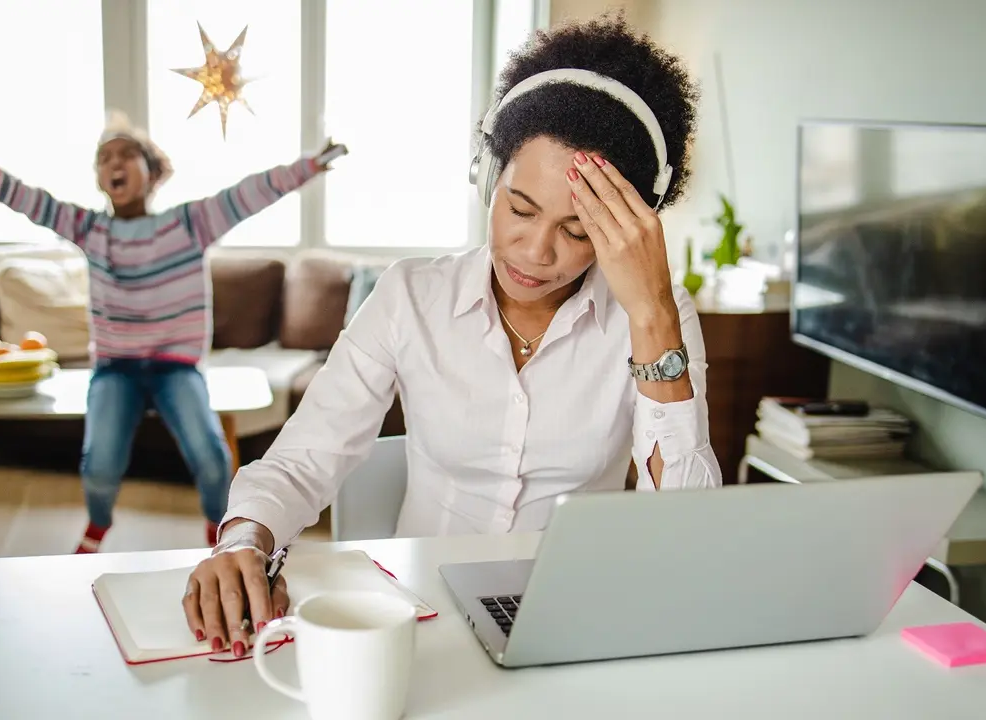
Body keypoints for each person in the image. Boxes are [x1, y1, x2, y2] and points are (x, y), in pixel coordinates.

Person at [177, 12, 720, 657]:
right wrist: (245, 537)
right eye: (519, 208)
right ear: (488, 179)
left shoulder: (657, 314)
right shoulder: (410, 295)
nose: (535, 251)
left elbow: (686, 530)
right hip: (417, 618)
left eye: (578, 232)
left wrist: (652, 316)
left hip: (570, 618)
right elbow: (306, 455)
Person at [0, 101, 341, 553]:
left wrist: (311, 166)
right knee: (99, 466)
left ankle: (216, 530)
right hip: (115, 369)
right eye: (104, 158)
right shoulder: (88, 228)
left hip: (175, 368)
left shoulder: (190, 224)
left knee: (212, 459)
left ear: (152, 171)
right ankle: (99, 524)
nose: (113, 163)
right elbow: (9, 190)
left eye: (125, 155)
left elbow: (254, 192)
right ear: (100, 179)